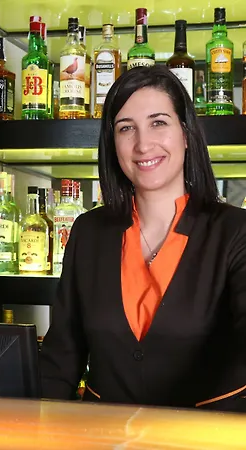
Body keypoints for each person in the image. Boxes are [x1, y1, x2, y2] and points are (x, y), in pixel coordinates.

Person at [40, 65, 246, 412]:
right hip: (101, 432)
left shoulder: (235, 231)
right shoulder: (89, 231)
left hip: (207, 432)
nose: (143, 144)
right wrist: (33, 424)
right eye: (126, 128)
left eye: (158, 122)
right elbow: (61, 356)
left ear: (185, 134)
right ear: (113, 143)